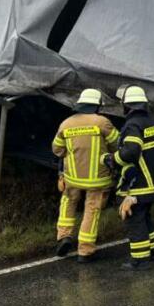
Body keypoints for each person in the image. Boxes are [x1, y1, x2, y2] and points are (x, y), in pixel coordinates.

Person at [51, 88, 121, 262]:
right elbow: (117, 145)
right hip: (98, 179)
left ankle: (64, 237)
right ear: (97, 106)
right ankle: (85, 250)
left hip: (72, 178)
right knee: (92, 210)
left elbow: (57, 149)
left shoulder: (66, 124)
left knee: (68, 203)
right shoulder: (102, 122)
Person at [104, 85, 154, 271]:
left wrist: (112, 159)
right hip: (151, 181)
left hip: (136, 185)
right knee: (145, 218)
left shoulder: (132, 125)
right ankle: (151, 251)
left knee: (135, 221)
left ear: (127, 105)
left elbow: (130, 152)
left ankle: (140, 259)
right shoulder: (151, 122)